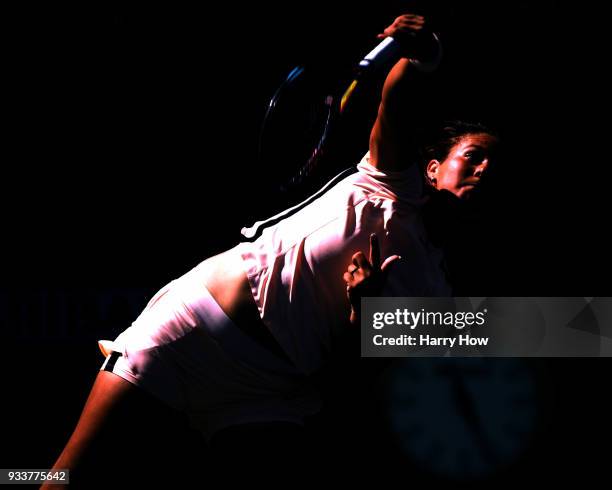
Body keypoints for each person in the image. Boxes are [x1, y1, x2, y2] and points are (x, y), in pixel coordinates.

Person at [44, 13, 499, 487]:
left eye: (497, 166)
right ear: (431, 168)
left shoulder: (439, 300)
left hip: (268, 395)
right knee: (64, 477)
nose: (486, 169)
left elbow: (350, 389)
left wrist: (365, 313)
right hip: (193, 330)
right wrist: (427, 56)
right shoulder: (391, 183)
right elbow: (397, 100)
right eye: (474, 155)